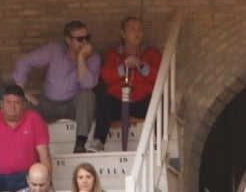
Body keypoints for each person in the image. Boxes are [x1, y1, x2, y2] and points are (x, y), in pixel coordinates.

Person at [13, 21, 100, 154]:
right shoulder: (54, 50)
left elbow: (87, 85)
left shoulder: (93, 58)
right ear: (68, 40)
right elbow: (24, 62)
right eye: (80, 39)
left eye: (87, 38)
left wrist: (81, 59)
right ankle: (23, 147)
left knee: (88, 95)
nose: (85, 42)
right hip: (49, 103)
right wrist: (21, 90)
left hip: (74, 105)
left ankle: (80, 145)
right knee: (22, 103)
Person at [92, 16, 161, 153]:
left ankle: (156, 141)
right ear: (123, 34)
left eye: (140, 30)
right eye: (132, 29)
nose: (137, 33)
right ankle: (99, 141)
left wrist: (140, 65)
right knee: (104, 101)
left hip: (141, 102)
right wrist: (124, 67)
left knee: (157, 100)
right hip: (119, 102)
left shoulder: (151, 53)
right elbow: (105, 77)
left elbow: (160, 76)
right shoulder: (114, 54)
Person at [0, 84, 50, 192]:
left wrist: (47, 182)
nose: (12, 106)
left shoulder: (34, 119)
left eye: (17, 102)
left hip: (23, 176)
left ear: (23, 104)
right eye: (8, 102)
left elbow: (45, 156)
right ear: (1, 104)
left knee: (35, 184)